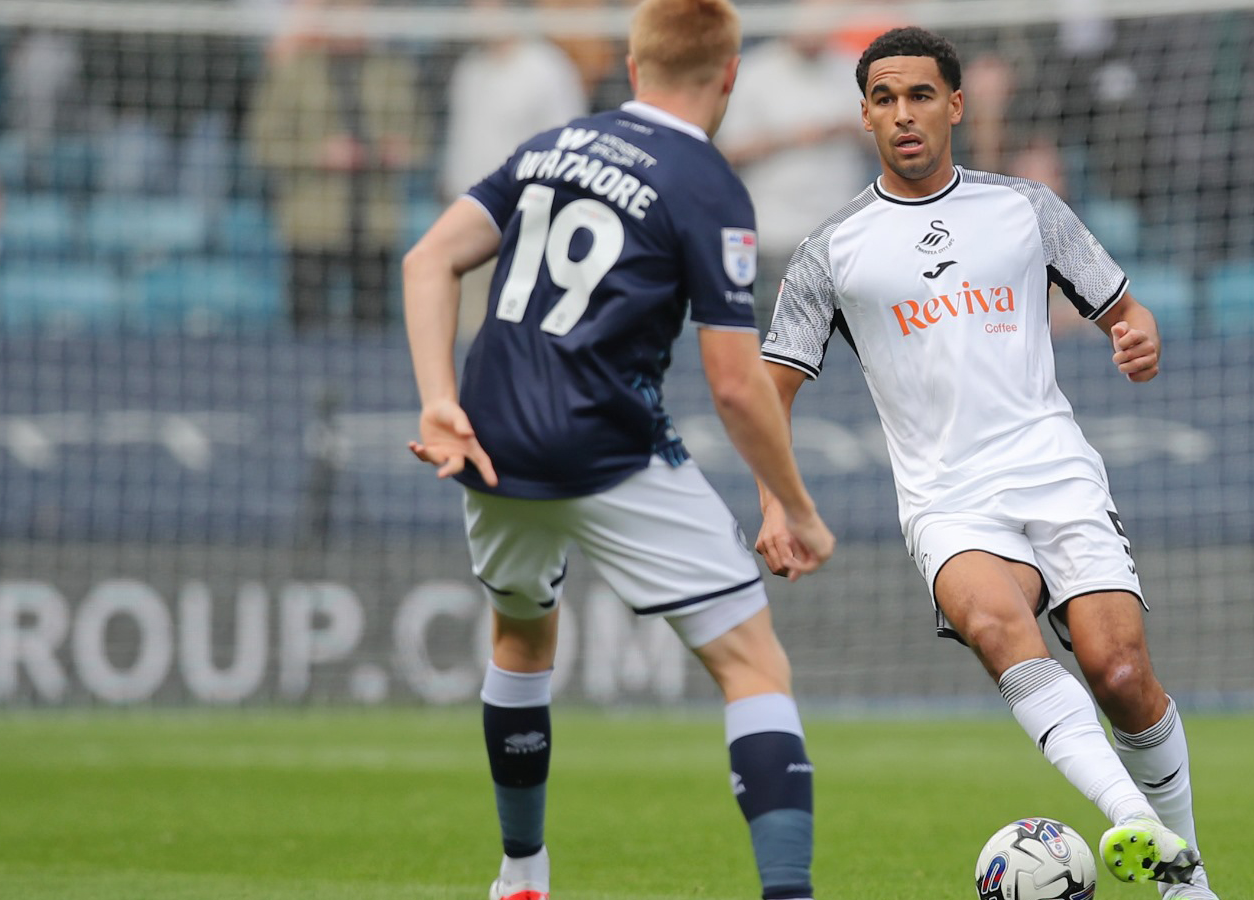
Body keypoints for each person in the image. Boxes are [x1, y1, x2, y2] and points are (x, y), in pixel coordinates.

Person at [755, 27, 1218, 899]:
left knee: (1120, 675)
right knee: (998, 627)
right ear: (864, 115)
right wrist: (778, 504)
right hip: (947, 499)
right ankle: (1147, 836)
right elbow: (767, 388)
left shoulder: (1026, 208)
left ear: (956, 105)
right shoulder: (833, 248)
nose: (904, 115)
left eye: (921, 95)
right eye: (885, 99)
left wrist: (1137, 332)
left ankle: (1179, 872)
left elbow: (1124, 306)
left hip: (1055, 473)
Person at [401, 1, 835, 899]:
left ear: (633, 70)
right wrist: (793, 505)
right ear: (729, 75)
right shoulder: (707, 184)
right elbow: (732, 382)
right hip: (605, 447)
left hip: (492, 441)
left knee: (521, 636)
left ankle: (522, 874)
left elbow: (427, 260)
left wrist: (438, 401)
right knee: (753, 663)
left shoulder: (551, 145)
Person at [248, 0, 422, 331]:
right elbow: (263, 144)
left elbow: (420, 137)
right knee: (306, 328)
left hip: (374, 222)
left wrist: (398, 150)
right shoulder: (296, 69)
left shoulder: (394, 71)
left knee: (372, 330)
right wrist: (319, 155)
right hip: (313, 225)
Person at [440, 0, 586, 338]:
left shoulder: (547, 68)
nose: (477, 16)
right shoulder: (469, 70)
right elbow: (460, 144)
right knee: (470, 333)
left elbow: (569, 149)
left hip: (525, 225)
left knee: (521, 334)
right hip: (468, 220)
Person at [717, 0, 867, 326]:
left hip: (841, 228)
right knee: (781, 338)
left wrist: (850, 129)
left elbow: (884, 142)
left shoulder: (852, 68)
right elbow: (728, 150)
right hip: (776, 231)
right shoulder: (756, 72)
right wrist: (791, 137)